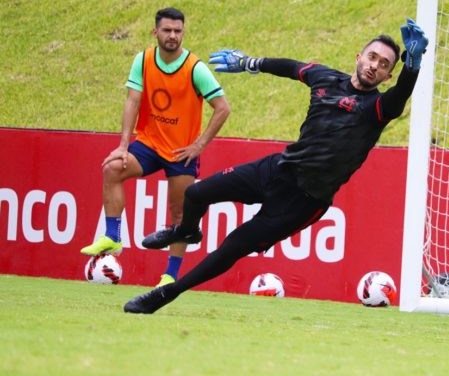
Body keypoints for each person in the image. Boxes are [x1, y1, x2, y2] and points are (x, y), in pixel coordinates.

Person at [123, 18, 428, 313]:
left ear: (387, 77)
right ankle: (187, 232)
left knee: (232, 247)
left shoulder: (378, 108)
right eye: (372, 57)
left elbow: (401, 94)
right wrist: (248, 63)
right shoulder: (324, 77)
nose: (374, 66)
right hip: (277, 169)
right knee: (196, 194)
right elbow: (291, 67)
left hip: (303, 201)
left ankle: (165, 294)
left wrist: (412, 66)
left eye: (384, 64)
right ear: (358, 57)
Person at [81, 7, 231, 287]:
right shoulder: (144, 60)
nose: (173, 36)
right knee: (113, 167)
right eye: (167, 30)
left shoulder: (195, 68)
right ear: (156, 32)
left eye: (177, 31)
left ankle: (169, 276)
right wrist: (124, 146)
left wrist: (198, 145)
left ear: (183, 33)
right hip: (149, 144)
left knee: (179, 215)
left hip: (180, 152)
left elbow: (222, 108)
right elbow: (132, 101)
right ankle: (113, 238)